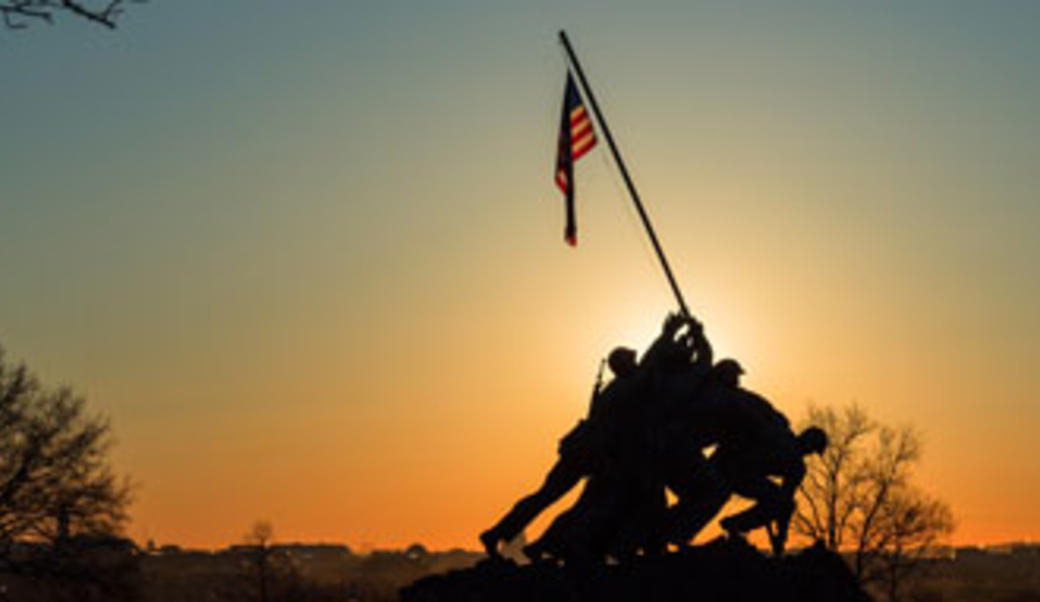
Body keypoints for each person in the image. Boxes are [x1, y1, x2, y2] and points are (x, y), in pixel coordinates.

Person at [478, 313, 692, 559]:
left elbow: (650, 369)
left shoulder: (618, 387)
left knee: (547, 497)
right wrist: (667, 335)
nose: (636, 363)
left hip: (583, 451)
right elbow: (649, 367)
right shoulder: (625, 387)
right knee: (595, 501)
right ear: (625, 366)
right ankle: (538, 541)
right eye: (632, 361)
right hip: (592, 454)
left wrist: (674, 340)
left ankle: (500, 534)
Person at [715, 425, 827, 555]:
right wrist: (781, 534)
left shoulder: (784, 439)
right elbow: (785, 500)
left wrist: (781, 534)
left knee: (778, 500)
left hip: (735, 468)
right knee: (780, 501)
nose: (810, 453)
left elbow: (785, 498)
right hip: (735, 469)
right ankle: (735, 524)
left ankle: (736, 525)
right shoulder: (795, 463)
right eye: (812, 449)